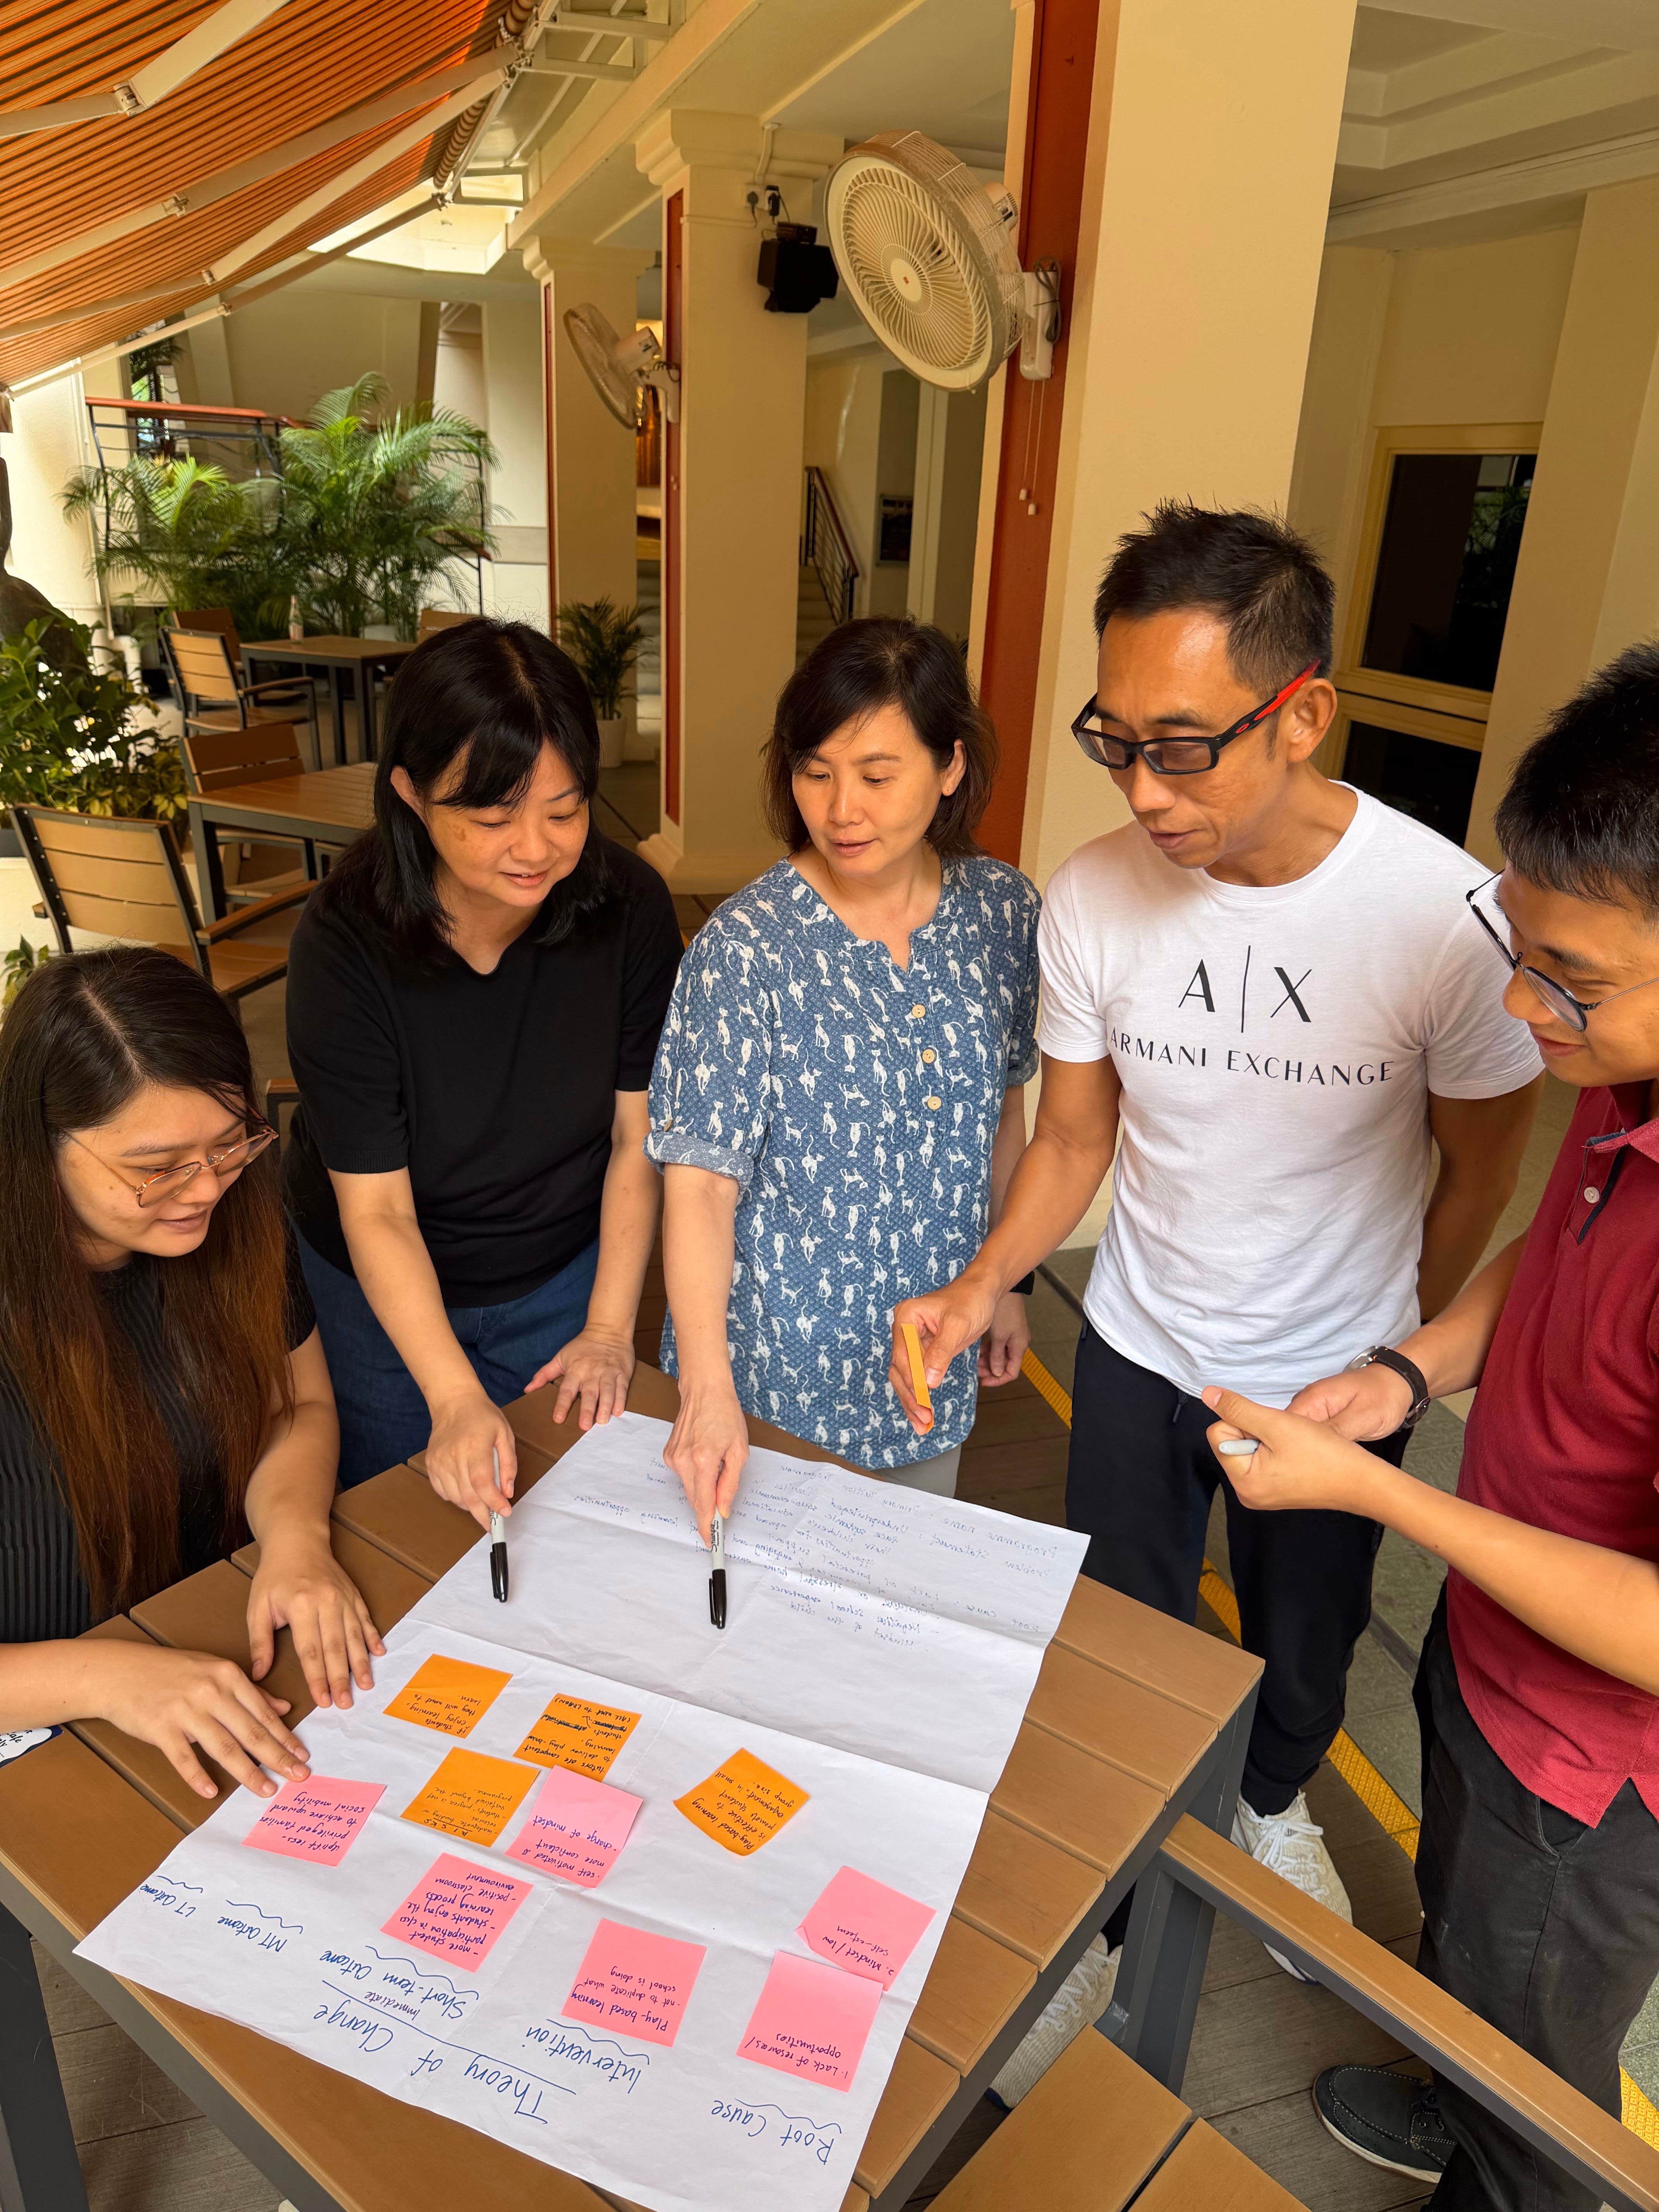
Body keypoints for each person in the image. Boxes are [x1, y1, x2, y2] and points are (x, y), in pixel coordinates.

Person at [892, 504, 1542, 1960]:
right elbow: (1073, 1139)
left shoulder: (1443, 918)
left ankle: (1267, 1802)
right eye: (1112, 738)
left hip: (1333, 1362)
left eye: (1180, 744)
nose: (1141, 786)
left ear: (1299, 714)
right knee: (1118, 1626)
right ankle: (1124, 1862)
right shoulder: (1095, 895)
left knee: (1301, 1650)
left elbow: (1480, 1174)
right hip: (1136, 1337)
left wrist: (1398, 1357)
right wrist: (984, 1278)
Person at [1203, 644, 1659, 2210]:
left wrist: (1379, 1496)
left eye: (1572, 985)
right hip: (1498, 1661)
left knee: (1543, 2055)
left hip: (1601, 1774)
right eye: (1518, 950)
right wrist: (1408, 1376)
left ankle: (1510, 2166)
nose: (1527, 1011)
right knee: (1470, 1949)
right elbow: (1560, 1252)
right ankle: (1466, 2097)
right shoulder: (1625, 1069)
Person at [283, 618, 683, 1517]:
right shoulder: (346, 942)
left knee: (574, 1513)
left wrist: (611, 1330)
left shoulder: (630, 909)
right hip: (378, 1292)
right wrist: (455, 1397)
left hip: (559, 1270)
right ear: (412, 797)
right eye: (494, 815)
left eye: (566, 809)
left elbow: (636, 1140)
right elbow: (376, 1210)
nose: (536, 847)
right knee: (404, 1520)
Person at [647, 617, 1039, 1533]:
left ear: (949, 767)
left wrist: (1008, 1282)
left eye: (875, 775)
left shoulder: (1003, 912)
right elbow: (700, 1186)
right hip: (765, 1381)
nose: (839, 809)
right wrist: (709, 1392)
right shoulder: (744, 950)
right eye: (814, 771)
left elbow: (1004, 1109)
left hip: (924, 1368)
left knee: (894, 1614)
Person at [0, 948, 382, 1803]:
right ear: (37, 1144)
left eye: (229, 1143)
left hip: (205, 1661)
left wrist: (293, 1536)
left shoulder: (237, 1216)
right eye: (157, 1167)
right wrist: (108, 1681)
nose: (205, 1188)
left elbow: (299, 1403)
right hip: (48, 1738)